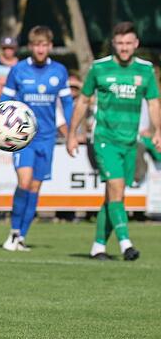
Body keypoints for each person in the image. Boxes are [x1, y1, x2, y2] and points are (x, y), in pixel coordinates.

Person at [67, 22, 161, 262]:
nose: (124, 48)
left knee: (113, 197)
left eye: (129, 43)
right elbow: (83, 101)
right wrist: (71, 133)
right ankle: (126, 244)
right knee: (116, 189)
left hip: (130, 142)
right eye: (120, 43)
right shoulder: (99, 68)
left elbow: (153, 103)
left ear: (136, 44)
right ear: (113, 44)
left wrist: (158, 130)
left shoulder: (146, 70)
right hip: (105, 139)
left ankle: (98, 246)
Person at [0, 26, 73, 252]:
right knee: (24, 182)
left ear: (50, 46)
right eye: (36, 45)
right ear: (30, 47)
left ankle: (21, 236)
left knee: (34, 188)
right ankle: (13, 231)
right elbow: (4, 102)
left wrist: (71, 133)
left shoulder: (60, 71)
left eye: (44, 45)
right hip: (23, 139)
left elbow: (68, 104)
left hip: (47, 138)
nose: (40, 49)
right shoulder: (18, 70)